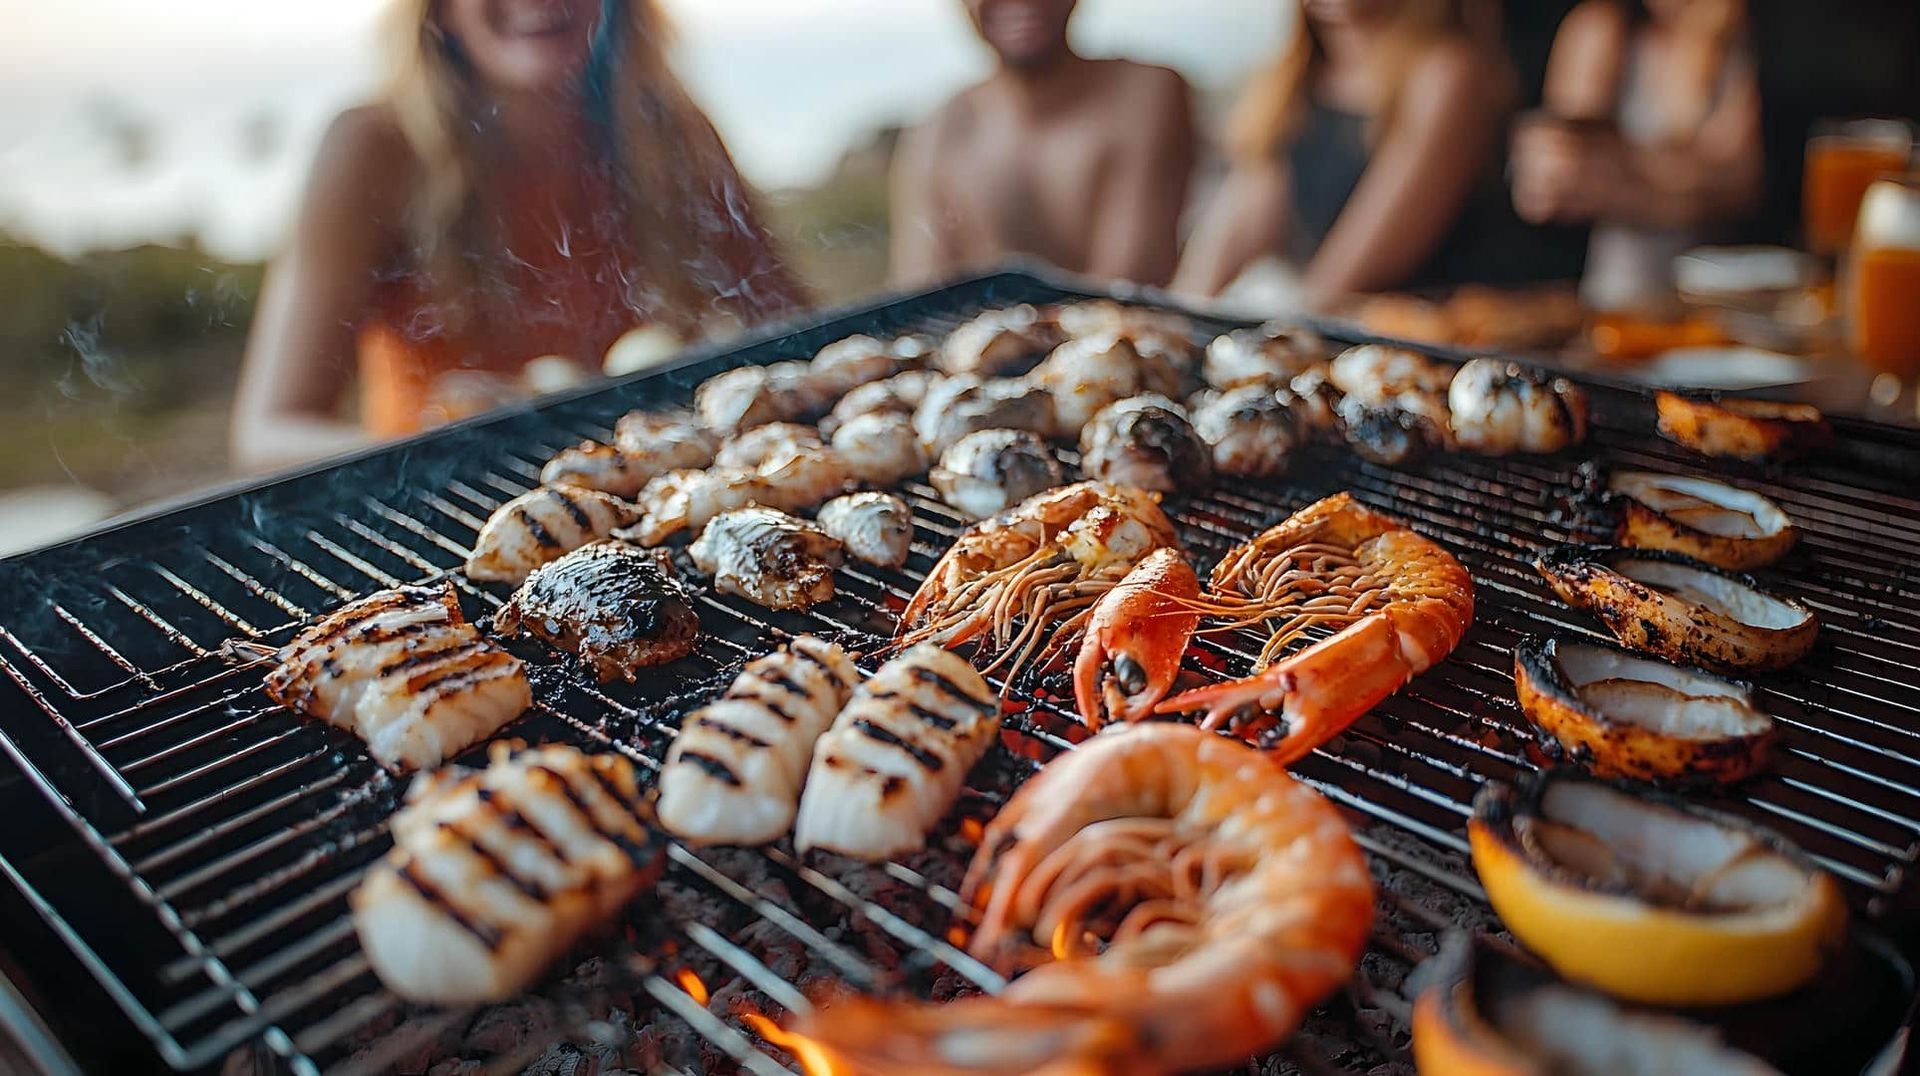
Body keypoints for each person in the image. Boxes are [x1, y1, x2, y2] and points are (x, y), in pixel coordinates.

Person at [232, 0, 803, 472]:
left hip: (659, 496)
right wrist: (450, 449)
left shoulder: (672, 130)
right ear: (436, 11)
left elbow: (798, 334)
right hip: (444, 521)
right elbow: (269, 432)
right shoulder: (373, 147)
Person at [1173, 0, 1521, 309]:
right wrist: (1176, 318)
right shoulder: (1298, 74)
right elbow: (1232, 236)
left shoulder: (1447, 73)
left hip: (1427, 349)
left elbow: (1338, 288)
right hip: (1329, 327)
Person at [889, 0, 1196, 288]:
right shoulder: (937, 130)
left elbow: (1130, 285)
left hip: (1131, 341)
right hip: (985, 340)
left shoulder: (1143, 93)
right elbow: (923, 294)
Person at [1510, 0, 1763, 309]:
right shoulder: (1601, 29)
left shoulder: (1732, 34)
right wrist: (1681, 179)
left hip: (1716, 305)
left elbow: (1739, 187)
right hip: (1613, 299)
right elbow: (1557, 180)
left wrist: (1625, 174)